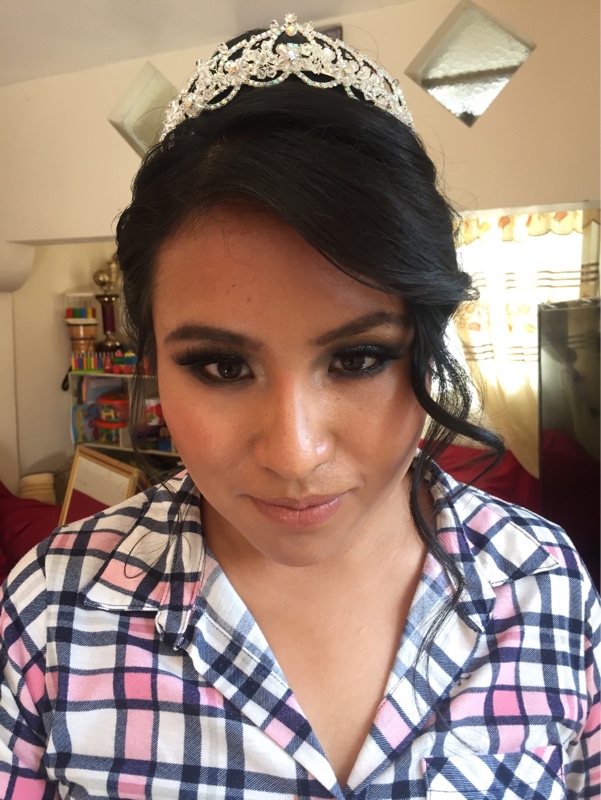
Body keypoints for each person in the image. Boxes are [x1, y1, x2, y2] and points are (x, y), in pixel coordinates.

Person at [1, 13, 599, 800]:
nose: (294, 453)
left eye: (357, 359)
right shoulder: (53, 611)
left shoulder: (541, 583)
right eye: (221, 366)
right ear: (152, 364)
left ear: (427, 345)